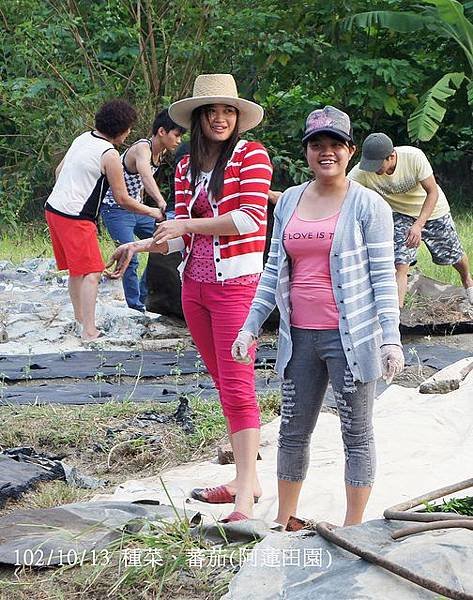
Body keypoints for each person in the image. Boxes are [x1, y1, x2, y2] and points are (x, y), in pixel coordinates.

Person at [106, 74, 273, 521]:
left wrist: (186, 227)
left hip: (237, 286)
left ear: (238, 118)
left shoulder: (251, 155)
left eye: (228, 111)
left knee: (238, 384)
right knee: (223, 382)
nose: (219, 119)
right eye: (210, 112)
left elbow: (249, 219)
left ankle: (244, 504)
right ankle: (247, 480)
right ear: (197, 119)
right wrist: (141, 245)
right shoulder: (183, 167)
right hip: (194, 288)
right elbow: (178, 236)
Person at [232, 106, 404, 529]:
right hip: (300, 339)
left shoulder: (369, 206)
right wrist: (250, 325)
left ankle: (354, 529)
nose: (325, 153)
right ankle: (284, 519)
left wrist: (390, 338)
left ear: (349, 151)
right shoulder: (289, 200)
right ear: (306, 152)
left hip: (351, 340)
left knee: (356, 435)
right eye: (316, 145)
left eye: (334, 145)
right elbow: (273, 270)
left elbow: (383, 276)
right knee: (292, 433)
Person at [45, 99, 165, 342]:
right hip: (75, 217)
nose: (130, 132)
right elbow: (122, 199)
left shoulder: (83, 137)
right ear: (120, 129)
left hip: (53, 208)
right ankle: (89, 331)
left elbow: (59, 171)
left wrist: (69, 191)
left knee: (76, 271)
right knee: (91, 272)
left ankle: (80, 321)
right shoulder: (110, 154)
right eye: (129, 128)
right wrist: (153, 211)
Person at [348, 133, 473, 307]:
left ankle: (467, 281)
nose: (373, 170)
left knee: (453, 254)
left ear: (391, 156)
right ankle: (397, 313)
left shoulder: (413, 157)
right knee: (401, 262)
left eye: (377, 165)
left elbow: (433, 192)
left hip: (432, 209)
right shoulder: (363, 171)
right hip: (400, 214)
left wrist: (419, 225)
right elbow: (342, 193)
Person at [101, 109, 185, 312]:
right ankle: (135, 308)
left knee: (165, 244)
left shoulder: (161, 152)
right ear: (162, 131)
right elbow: (146, 176)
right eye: (176, 135)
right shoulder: (142, 148)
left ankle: (143, 293)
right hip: (116, 209)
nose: (179, 141)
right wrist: (161, 204)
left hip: (137, 209)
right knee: (130, 256)